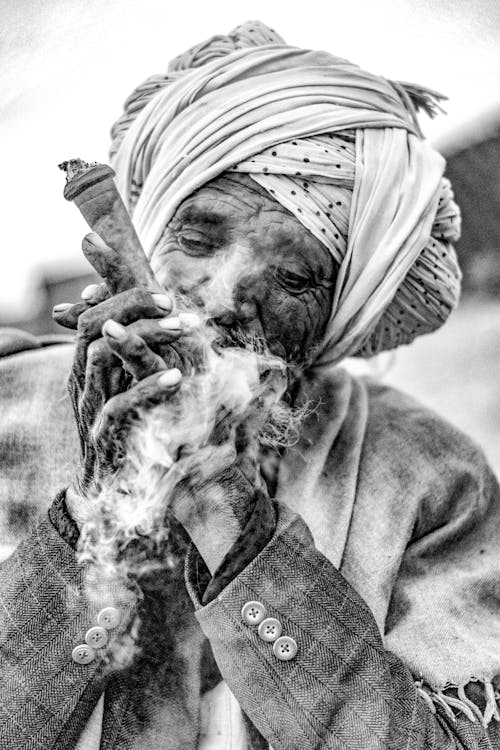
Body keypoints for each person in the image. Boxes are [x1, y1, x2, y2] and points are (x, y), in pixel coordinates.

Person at [1, 20, 499, 750]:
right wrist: (96, 515)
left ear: (339, 311)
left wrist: (234, 525)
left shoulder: (432, 481)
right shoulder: (6, 411)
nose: (226, 295)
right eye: (198, 240)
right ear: (149, 227)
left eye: (294, 278)